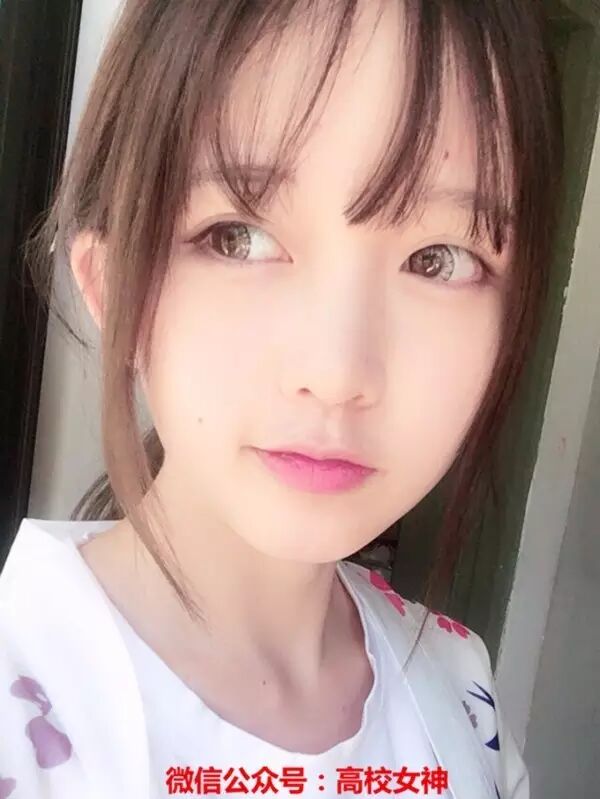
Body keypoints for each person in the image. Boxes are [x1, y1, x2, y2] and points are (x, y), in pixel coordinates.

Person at [0, 0, 563, 797]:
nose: (337, 372)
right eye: (237, 237)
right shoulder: (23, 714)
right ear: (111, 283)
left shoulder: (463, 692)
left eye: (438, 258)